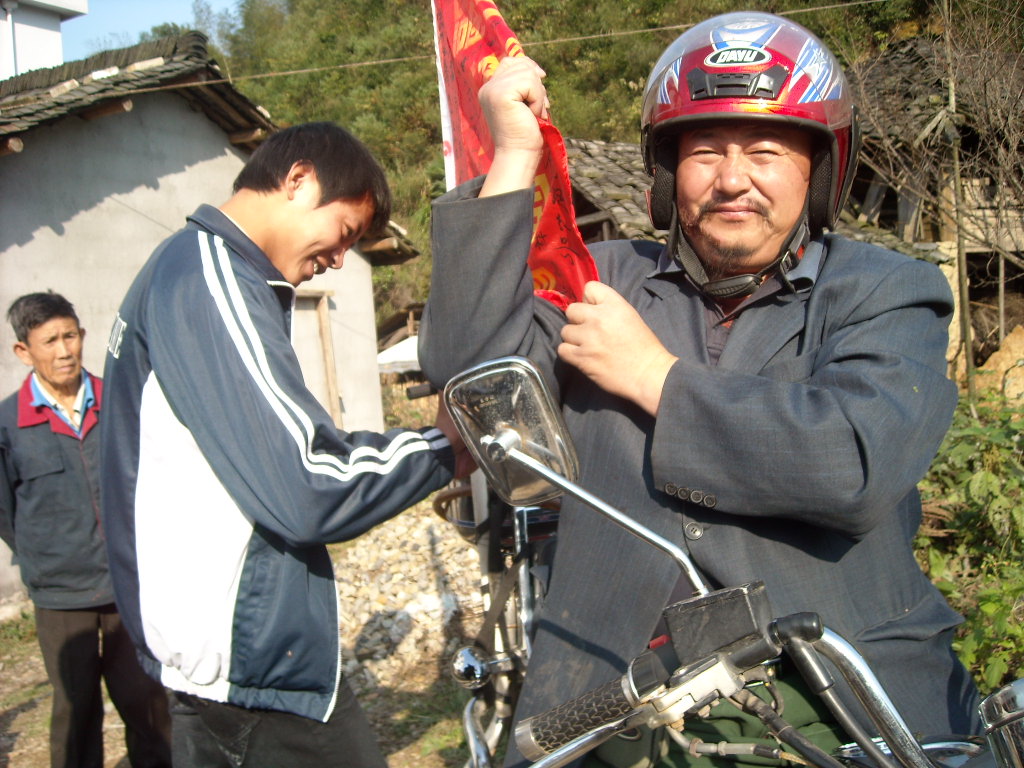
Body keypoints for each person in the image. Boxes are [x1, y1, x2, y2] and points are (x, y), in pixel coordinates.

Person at [419, 12, 980, 768]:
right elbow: (467, 372)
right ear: (666, 174)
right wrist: (514, 158)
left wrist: (655, 378)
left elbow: (852, 463)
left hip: (836, 698)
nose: (733, 179)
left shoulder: (888, 293)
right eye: (705, 151)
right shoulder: (604, 281)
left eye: (766, 151)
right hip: (605, 696)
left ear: (817, 170)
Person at [99, 122, 470, 767]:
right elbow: (308, 482)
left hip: (216, 661)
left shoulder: (193, 272)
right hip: (246, 667)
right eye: (346, 234)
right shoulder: (211, 280)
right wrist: (442, 445)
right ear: (299, 181)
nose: (338, 259)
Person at [0, 291, 172, 768]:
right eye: (49, 340)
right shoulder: (9, 425)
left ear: (83, 336)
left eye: (70, 336)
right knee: (75, 711)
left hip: (127, 584)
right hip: (60, 594)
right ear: (23, 351)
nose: (63, 351)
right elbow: (6, 512)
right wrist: (45, 554)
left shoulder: (121, 399)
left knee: (149, 706)